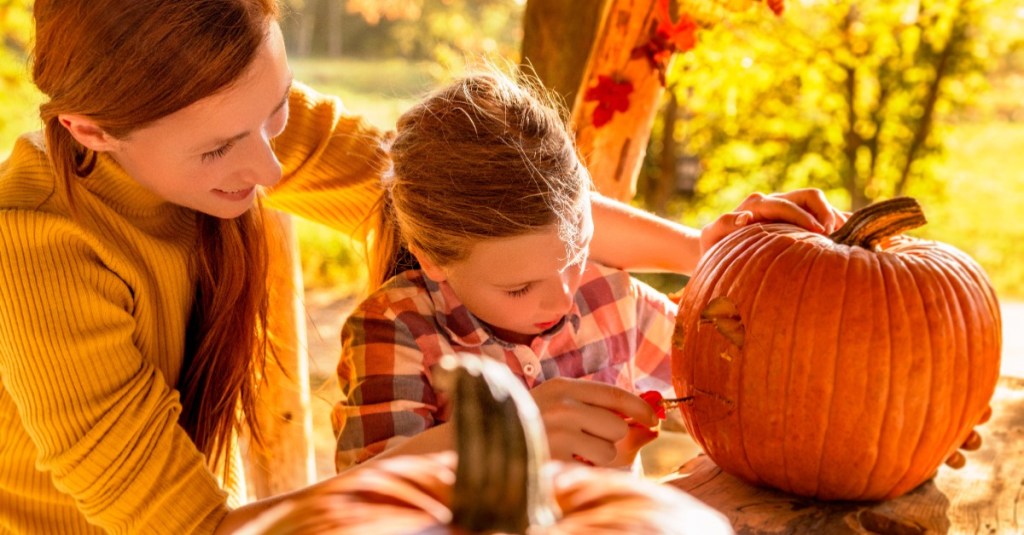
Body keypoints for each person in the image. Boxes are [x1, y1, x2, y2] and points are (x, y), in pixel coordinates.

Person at [0, 1, 847, 533]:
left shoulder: (231, 127)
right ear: (90, 130)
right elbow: (201, 531)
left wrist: (718, 254)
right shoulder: (38, 254)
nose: (268, 168)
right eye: (222, 147)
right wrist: (500, 435)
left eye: (277, 110)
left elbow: (485, 203)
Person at [330, 70, 850, 473]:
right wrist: (509, 435)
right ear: (432, 258)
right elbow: (365, 503)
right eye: (519, 288)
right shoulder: (397, 330)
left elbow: (755, 380)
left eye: (575, 254)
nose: (561, 301)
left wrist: (785, 270)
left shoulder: (608, 297)